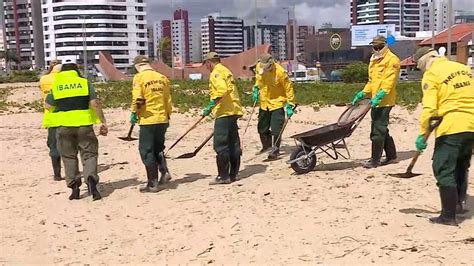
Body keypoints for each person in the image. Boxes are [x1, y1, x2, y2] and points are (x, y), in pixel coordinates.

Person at [413, 47, 474, 226]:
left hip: (452, 125)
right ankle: (459, 204)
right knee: (461, 164)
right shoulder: (463, 69)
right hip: (472, 124)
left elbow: (430, 110)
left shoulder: (431, 74)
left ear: (423, 62)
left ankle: (448, 216)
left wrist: (422, 135)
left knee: (443, 167)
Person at [43, 56, 108, 201]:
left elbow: (47, 105)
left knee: (68, 156)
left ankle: (74, 188)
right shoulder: (84, 83)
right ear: (76, 70)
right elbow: (95, 103)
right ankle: (91, 181)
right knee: (89, 154)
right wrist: (103, 121)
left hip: (64, 127)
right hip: (84, 125)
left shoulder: (57, 85)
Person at [351, 35, 400, 168]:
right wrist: (363, 93)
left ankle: (375, 160)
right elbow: (372, 82)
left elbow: (389, 82)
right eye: (374, 46)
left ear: (385, 45)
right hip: (374, 101)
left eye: (379, 46)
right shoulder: (373, 60)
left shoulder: (392, 60)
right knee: (382, 128)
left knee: (377, 130)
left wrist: (380, 95)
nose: (377, 49)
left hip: (385, 101)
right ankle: (391, 156)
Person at [130, 55, 172, 193]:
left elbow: (138, 98)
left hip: (148, 119)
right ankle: (164, 172)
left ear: (137, 66)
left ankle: (152, 183)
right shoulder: (162, 78)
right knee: (158, 147)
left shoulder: (139, 78)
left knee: (146, 150)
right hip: (162, 118)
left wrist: (134, 113)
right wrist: (167, 115)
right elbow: (168, 100)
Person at [202, 52, 243, 185]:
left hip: (224, 112)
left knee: (221, 145)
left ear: (209, 62)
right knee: (233, 143)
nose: (206, 67)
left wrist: (210, 105)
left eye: (206, 64)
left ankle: (223, 176)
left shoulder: (216, 73)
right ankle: (233, 174)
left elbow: (222, 90)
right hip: (234, 110)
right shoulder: (226, 71)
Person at [252, 53, 296, 159]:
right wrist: (255, 89)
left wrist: (290, 105)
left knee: (276, 128)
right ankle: (266, 146)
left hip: (277, 102)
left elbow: (288, 89)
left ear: (271, 64)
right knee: (262, 128)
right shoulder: (259, 67)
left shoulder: (280, 72)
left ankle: (275, 149)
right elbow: (258, 80)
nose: (264, 68)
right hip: (264, 102)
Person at [39, 59, 62, 181]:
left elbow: (42, 95)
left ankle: (57, 174)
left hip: (49, 115)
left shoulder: (43, 79)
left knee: (53, 145)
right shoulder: (62, 79)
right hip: (63, 114)